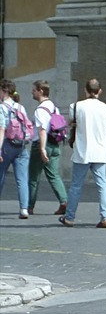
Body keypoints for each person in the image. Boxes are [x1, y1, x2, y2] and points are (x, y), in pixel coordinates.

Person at [62, 78, 106, 228]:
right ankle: (105, 217)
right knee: (102, 184)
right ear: (100, 91)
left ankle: (70, 217)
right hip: (100, 150)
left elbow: (71, 121)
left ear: (85, 90)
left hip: (82, 150)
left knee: (76, 185)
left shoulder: (76, 106)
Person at [29, 80, 69, 216]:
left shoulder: (40, 110)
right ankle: (64, 202)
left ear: (41, 91)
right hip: (55, 144)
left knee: (34, 178)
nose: (32, 92)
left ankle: (29, 206)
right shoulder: (54, 107)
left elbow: (42, 130)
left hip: (42, 144)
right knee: (54, 175)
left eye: (34, 90)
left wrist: (42, 149)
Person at [0, 79, 33, 219]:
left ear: (4, 91)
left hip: (6, 145)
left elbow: (1, 129)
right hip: (21, 145)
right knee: (22, 179)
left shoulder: (1, 108)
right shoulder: (20, 107)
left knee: (0, 177)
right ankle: (24, 209)